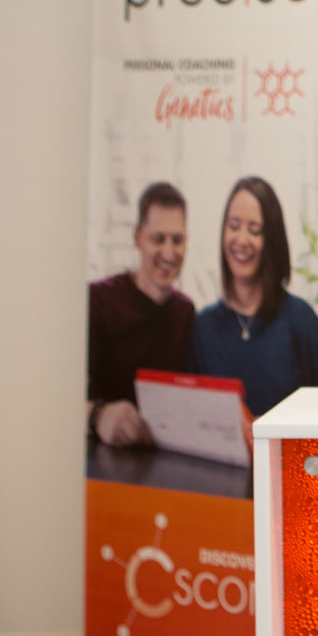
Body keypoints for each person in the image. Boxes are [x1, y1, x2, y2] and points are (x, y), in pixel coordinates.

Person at [190, 176, 318, 417]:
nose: (241, 240)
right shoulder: (203, 327)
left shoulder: (301, 321)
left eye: (254, 230)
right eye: (233, 226)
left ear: (272, 241)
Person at [87, 181, 195, 446]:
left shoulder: (186, 312)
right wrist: (97, 417)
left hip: (165, 467)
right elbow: (56, 396)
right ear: (137, 238)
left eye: (177, 240)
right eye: (158, 239)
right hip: (101, 468)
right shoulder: (99, 301)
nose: (168, 252)